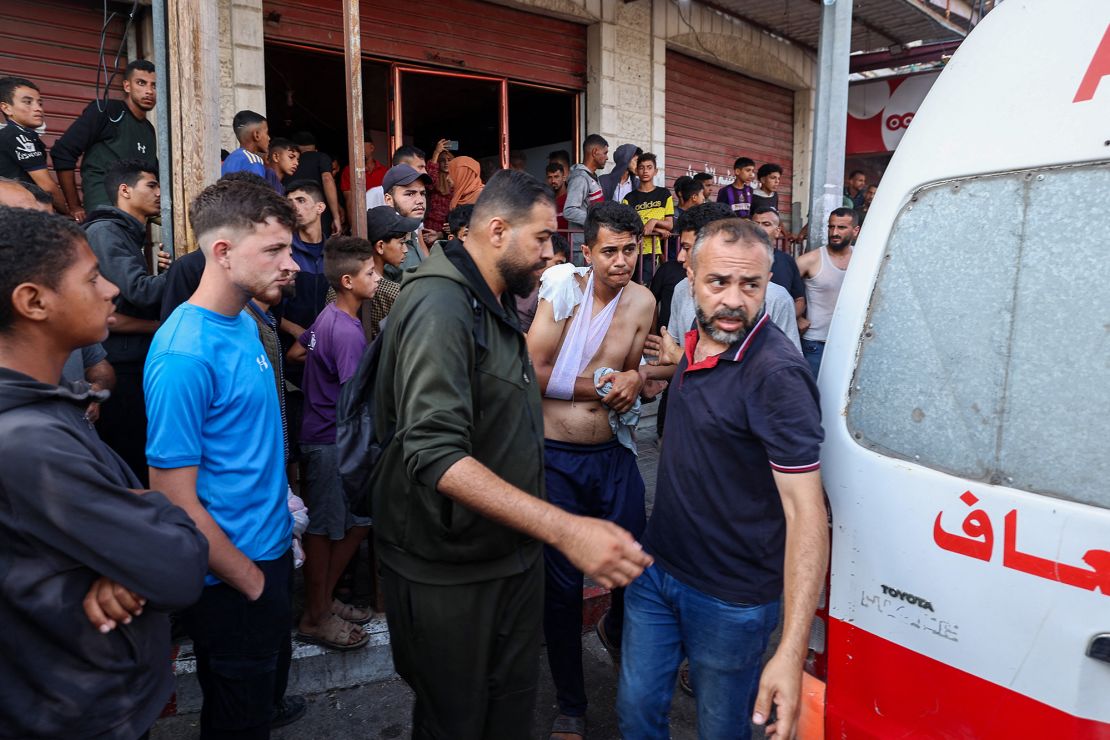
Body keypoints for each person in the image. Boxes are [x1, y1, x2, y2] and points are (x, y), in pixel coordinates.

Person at [370, 169, 651, 739]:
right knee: (458, 722)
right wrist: (564, 528)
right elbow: (433, 452)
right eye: (543, 239)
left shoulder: (487, 299)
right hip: (451, 573)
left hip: (496, 559)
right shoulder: (441, 307)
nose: (552, 256)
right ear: (497, 230)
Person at [0, 205, 208, 740]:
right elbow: (180, 566)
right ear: (33, 301)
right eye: (93, 278)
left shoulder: (50, 411)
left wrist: (126, 549)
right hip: (72, 712)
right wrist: (144, 537)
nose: (112, 290)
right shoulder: (30, 442)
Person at [617, 218, 828, 740]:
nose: (733, 300)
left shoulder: (777, 377)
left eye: (750, 285)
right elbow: (699, 369)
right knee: (636, 712)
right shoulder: (699, 338)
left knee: (722, 732)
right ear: (690, 276)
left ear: (768, 285)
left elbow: (808, 513)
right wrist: (647, 373)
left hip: (732, 601)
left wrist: (790, 651)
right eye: (718, 282)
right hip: (657, 570)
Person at [144, 179, 301, 740]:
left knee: (249, 710)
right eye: (275, 250)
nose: (293, 265)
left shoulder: (243, 324)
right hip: (233, 579)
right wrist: (252, 583)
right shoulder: (184, 352)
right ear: (222, 252)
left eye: (290, 248)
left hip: (270, 554)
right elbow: (173, 498)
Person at [526, 201, 655, 740]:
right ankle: (572, 705)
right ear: (588, 252)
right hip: (558, 460)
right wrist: (605, 384)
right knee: (561, 589)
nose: (622, 261)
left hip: (613, 457)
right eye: (610, 251)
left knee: (636, 566)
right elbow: (531, 372)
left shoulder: (643, 300)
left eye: (630, 250)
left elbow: (635, 373)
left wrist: (637, 379)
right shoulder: (562, 292)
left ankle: (616, 630)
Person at [290, 236, 381, 650]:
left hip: (323, 435)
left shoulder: (327, 318)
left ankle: (323, 602)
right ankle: (314, 616)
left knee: (354, 524)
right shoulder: (346, 333)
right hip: (331, 441)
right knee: (327, 530)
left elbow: (297, 351)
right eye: (370, 273)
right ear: (347, 280)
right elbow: (353, 397)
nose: (377, 279)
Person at [83, 159, 169, 485]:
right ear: (124, 190)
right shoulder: (106, 231)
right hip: (120, 366)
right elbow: (139, 293)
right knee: (129, 460)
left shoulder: (125, 233)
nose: (160, 193)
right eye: (151, 185)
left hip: (132, 361)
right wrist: (190, 267)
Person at [51, 60, 156, 219]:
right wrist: (74, 206)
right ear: (127, 86)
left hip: (135, 217)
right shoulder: (107, 111)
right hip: (105, 213)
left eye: (154, 85)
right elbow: (63, 152)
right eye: (141, 83)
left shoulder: (148, 129)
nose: (149, 91)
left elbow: (153, 172)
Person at [797, 207, 858, 376]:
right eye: (831, 227)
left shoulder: (863, 258)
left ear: (855, 230)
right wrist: (797, 317)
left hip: (851, 342)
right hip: (816, 343)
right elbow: (782, 289)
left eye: (841, 227)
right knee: (813, 397)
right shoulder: (810, 260)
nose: (834, 233)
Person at [0, 77, 69, 215]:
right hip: (16, 215)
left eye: (40, 103)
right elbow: (47, 187)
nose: (38, 108)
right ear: (6, 108)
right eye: (27, 102)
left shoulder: (20, 134)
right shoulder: (17, 135)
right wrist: (67, 213)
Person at [358, 205, 421, 342]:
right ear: (380, 246)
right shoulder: (395, 294)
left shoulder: (339, 287)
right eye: (401, 242)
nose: (405, 250)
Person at [752, 206, 807, 333]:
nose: (759, 228)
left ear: (777, 231)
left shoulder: (787, 261)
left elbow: (799, 300)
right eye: (755, 224)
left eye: (766, 224)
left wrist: (790, 318)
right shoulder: (737, 260)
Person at [622, 152, 674, 285]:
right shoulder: (629, 198)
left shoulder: (664, 194)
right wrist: (658, 229)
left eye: (649, 167)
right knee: (629, 286)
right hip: (632, 249)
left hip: (652, 251)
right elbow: (627, 225)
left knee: (645, 287)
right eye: (641, 167)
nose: (645, 171)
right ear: (636, 171)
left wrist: (654, 223)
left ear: (655, 171)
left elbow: (669, 225)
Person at [284, 131, 343, 235]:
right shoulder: (321, 157)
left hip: (291, 214)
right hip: (318, 214)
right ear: (315, 147)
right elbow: (327, 179)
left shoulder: (287, 162)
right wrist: (336, 216)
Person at [382, 163, 434, 273]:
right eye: (410, 194)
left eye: (423, 193)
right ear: (389, 200)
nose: (420, 200)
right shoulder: (387, 245)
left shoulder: (412, 234)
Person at [515, 232, 570, 334]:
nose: (559, 268)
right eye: (557, 263)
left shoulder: (550, 296)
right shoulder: (512, 281)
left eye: (561, 264)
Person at [564, 134, 608, 260]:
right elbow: (569, 210)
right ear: (595, 152)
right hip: (580, 248)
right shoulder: (580, 178)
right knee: (581, 280)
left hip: (590, 244)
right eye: (604, 153)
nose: (606, 157)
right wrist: (595, 222)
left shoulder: (591, 176)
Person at [340, 138, 387, 220]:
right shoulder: (349, 170)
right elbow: (349, 200)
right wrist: (353, 226)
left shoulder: (385, 171)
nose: (358, 151)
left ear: (372, 148)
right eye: (356, 148)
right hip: (361, 219)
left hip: (383, 219)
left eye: (362, 147)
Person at [222, 110, 272, 182]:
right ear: (256, 135)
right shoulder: (253, 161)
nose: (269, 138)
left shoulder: (228, 160)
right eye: (267, 133)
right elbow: (258, 192)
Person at [425, 146, 454, 240]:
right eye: (442, 160)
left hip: (452, 224)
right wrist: (436, 153)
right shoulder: (436, 177)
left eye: (449, 160)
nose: (446, 163)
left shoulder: (458, 177)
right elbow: (428, 181)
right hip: (434, 224)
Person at [546, 161, 569, 233]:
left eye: (556, 177)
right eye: (550, 177)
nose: (553, 181)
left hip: (568, 243)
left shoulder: (570, 199)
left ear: (564, 178)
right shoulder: (546, 201)